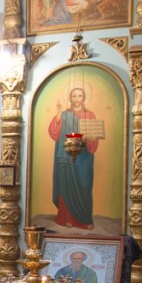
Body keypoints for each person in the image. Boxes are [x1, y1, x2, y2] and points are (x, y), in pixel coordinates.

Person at [49, 87, 98, 229]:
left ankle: (85, 219)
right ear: (70, 98)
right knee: (66, 185)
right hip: (67, 156)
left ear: (84, 98)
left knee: (84, 186)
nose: (77, 99)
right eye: (74, 96)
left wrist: (90, 138)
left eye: (80, 95)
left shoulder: (90, 115)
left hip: (84, 158)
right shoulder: (65, 114)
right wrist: (59, 113)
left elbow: (94, 139)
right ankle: (66, 218)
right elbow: (54, 134)